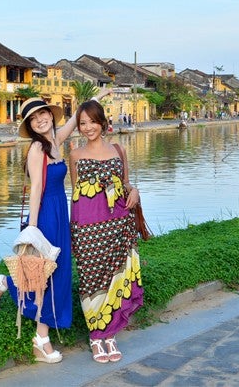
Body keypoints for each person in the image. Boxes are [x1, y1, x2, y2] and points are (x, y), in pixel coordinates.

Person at [0, 97, 78, 364]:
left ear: (50, 115)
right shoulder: (37, 148)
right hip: (46, 214)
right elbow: (35, 189)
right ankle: (39, 338)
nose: (40, 120)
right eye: (34, 119)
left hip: (59, 210)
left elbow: (75, 120)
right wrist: (33, 228)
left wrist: (94, 99)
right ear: (30, 125)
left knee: (58, 272)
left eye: (43, 114)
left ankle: (0, 284)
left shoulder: (56, 139)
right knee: (42, 274)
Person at [69, 100, 144, 364]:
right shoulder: (75, 155)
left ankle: (110, 335)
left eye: (92, 121)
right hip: (87, 226)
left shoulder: (118, 149)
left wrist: (134, 190)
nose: (88, 127)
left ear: (102, 122)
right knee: (91, 278)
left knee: (115, 278)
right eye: (83, 123)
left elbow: (125, 183)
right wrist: (73, 230)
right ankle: (95, 335)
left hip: (118, 224)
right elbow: (76, 194)